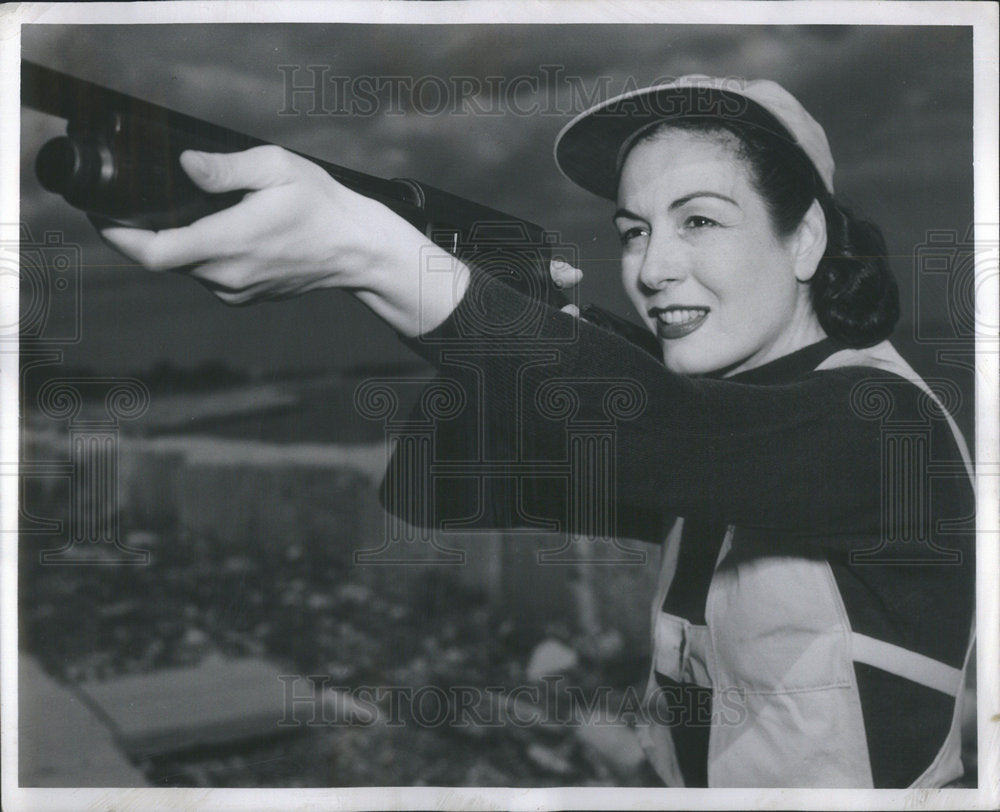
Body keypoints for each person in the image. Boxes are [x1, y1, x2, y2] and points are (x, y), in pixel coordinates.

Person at [98, 75, 975, 788]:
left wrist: (376, 254)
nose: (653, 269)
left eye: (700, 220)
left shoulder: (884, 426)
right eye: (633, 232)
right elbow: (434, 484)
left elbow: (663, 437)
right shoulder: (712, 431)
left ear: (807, 238)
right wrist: (499, 307)